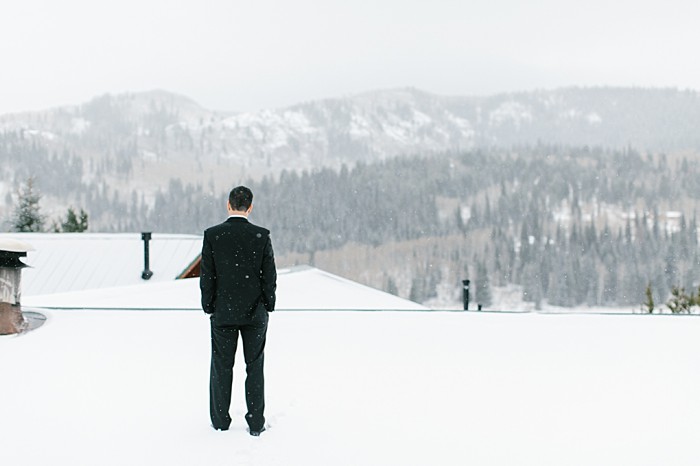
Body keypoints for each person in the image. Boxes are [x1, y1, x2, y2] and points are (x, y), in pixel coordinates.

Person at [200, 186, 277, 435]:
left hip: (223, 313)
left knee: (222, 367)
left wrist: (209, 305)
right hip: (255, 313)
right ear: (250, 207)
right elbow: (270, 277)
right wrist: (268, 304)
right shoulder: (261, 236)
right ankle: (255, 423)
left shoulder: (213, 235)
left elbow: (207, 276)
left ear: (228, 204)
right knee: (254, 366)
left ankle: (221, 421)